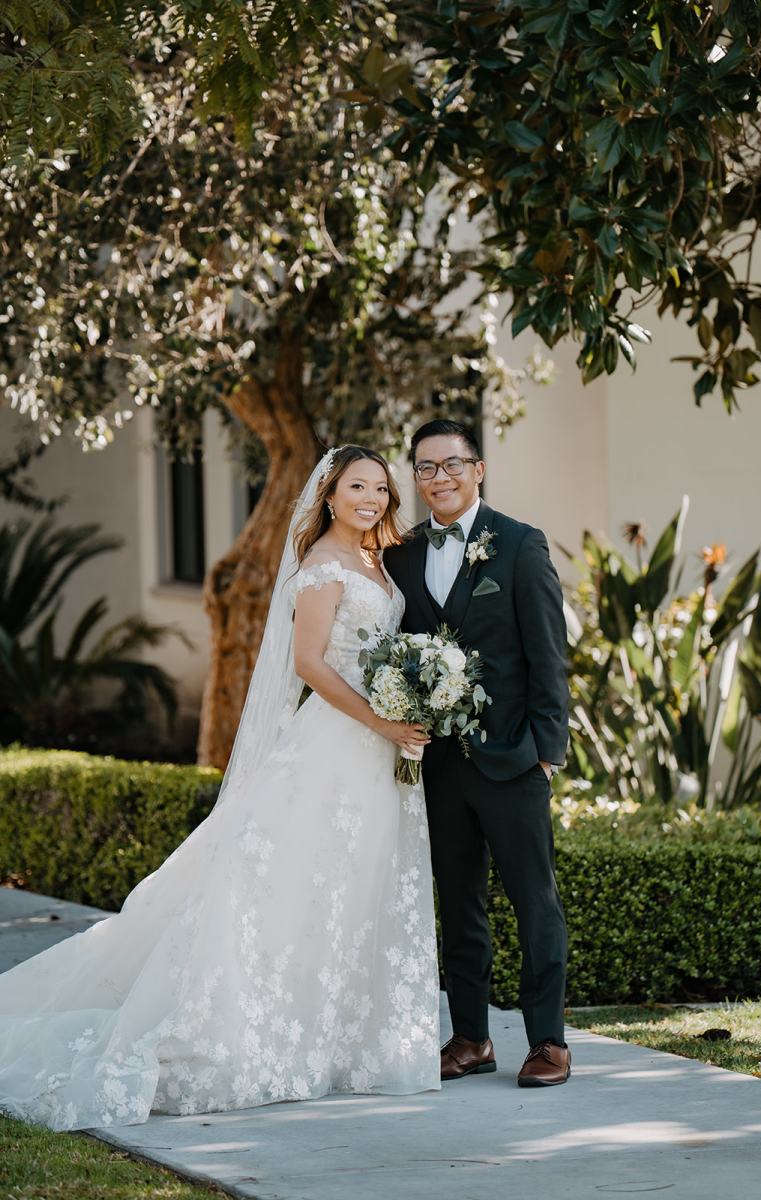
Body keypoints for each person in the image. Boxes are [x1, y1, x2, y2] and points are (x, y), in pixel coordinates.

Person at [0, 445, 439, 1131]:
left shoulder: (375, 560)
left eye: (381, 489)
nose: (371, 499)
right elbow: (310, 665)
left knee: (352, 886)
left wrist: (412, 699)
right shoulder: (323, 567)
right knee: (297, 885)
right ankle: (260, 1034)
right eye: (357, 487)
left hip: (379, 753)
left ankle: (340, 1038)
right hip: (336, 743)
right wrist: (382, 720)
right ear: (328, 494)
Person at [384, 419, 571, 1088]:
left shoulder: (520, 544)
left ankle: (548, 1041)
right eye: (426, 468)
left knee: (534, 903)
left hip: (513, 759)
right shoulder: (401, 555)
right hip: (437, 765)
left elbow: (549, 653)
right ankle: (470, 1037)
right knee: (458, 903)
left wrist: (547, 753)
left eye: (452, 464)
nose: (440, 478)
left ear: (478, 469)